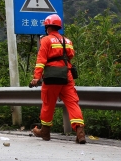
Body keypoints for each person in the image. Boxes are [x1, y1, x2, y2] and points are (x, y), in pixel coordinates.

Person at [30, 14, 86, 144]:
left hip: (51, 76)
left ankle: (45, 132)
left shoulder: (45, 40)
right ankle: (80, 132)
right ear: (58, 27)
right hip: (66, 75)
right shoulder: (67, 41)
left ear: (48, 27)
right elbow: (71, 56)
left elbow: (41, 61)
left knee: (48, 103)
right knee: (72, 102)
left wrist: (36, 77)